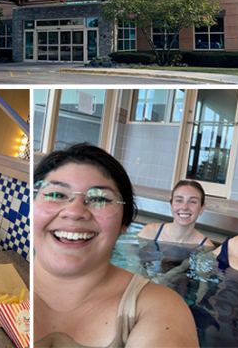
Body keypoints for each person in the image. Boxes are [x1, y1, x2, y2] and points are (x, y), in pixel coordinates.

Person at [34, 143, 199, 348]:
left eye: (99, 199)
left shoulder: (157, 308)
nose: (75, 211)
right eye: (56, 195)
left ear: (124, 223)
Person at [137, 180, 214, 247]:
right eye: (179, 200)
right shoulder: (150, 233)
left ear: (202, 208)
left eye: (192, 202)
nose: (184, 207)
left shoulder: (205, 247)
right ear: (171, 205)